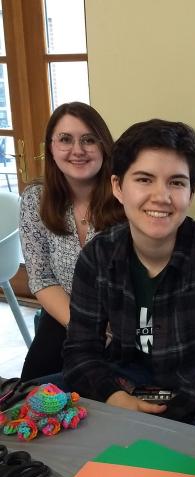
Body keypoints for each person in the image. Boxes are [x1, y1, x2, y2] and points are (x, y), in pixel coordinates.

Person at [62, 119, 195, 441]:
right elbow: (80, 351)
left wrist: (169, 414)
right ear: (118, 187)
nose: (160, 196)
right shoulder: (98, 256)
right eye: (144, 179)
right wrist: (116, 398)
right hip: (129, 378)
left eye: (176, 183)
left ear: (190, 193)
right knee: (41, 393)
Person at [19, 101, 124, 380]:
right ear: (51, 148)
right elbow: (41, 279)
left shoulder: (128, 197)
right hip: (65, 315)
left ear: (104, 147)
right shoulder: (34, 200)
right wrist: (86, 330)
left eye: (89, 139)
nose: (77, 150)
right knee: (32, 395)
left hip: (125, 323)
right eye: (65, 139)